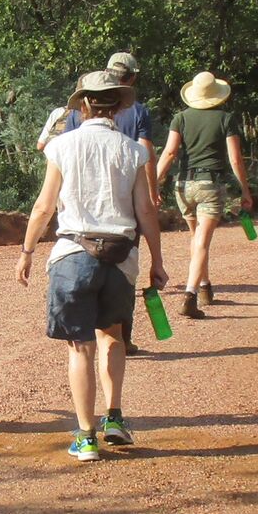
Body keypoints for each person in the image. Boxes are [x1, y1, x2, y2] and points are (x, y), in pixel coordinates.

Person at [16, 70, 168, 463]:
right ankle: (114, 419)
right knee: (112, 337)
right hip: (120, 260)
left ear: (83, 104)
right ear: (119, 106)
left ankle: (85, 437)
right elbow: (146, 209)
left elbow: (43, 206)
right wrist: (157, 260)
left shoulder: (62, 147)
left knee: (79, 346)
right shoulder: (134, 151)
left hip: (72, 256)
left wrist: (27, 250)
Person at [153, 70, 254, 319]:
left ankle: (206, 287)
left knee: (196, 239)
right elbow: (234, 158)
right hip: (210, 186)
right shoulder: (226, 119)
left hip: (183, 186)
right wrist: (245, 190)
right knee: (203, 242)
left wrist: (153, 183)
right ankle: (190, 295)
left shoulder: (180, 118)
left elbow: (169, 153)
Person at [105, 51, 158, 355]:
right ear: (133, 78)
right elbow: (146, 155)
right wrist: (151, 192)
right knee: (125, 265)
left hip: (89, 200)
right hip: (128, 196)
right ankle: (122, 337)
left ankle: (92, 335)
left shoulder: (81, 110)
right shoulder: (138, 111)